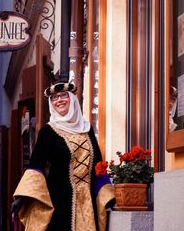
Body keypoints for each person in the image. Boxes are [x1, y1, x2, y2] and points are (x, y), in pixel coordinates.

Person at [11, 82, 115, 231]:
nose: (59, 100)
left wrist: (109, 195)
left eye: (63, 95)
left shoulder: (87, 129)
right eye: (54, 98)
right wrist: (22, 197)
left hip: (87, 202)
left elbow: (98, 166)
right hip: (59, 202)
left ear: (72, 99)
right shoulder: (48, 131)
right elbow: (36, 166)